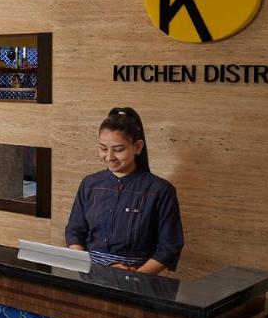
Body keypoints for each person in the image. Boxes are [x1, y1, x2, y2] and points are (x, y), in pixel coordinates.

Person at [65, 107, 184, 274]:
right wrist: (84, 264)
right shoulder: (89, 184)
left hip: (138, 278)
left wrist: (134, 275)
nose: (109, 157)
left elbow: (169, 247)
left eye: (118, 149)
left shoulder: (160, 190)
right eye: (103, 148)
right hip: (89, 274)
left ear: (138, 147)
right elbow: (75, 231)